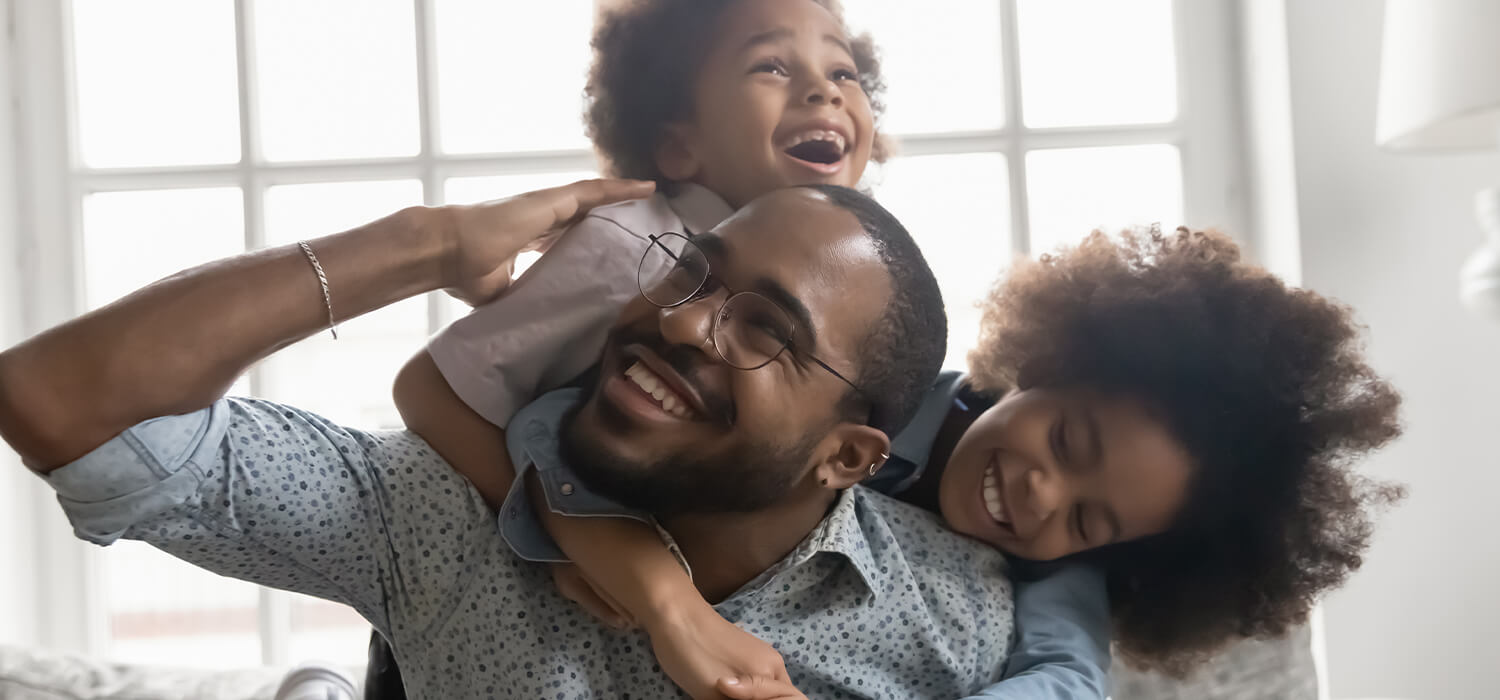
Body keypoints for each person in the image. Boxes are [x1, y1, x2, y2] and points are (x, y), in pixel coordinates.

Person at [0, 181, 1032, 698]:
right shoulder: (431, 513)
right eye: (692, 273)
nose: (679, 321)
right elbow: (60, 402)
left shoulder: (964, 621)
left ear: (849, 456)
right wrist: (426, 242)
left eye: (766, 329)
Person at [389, 0, 1112, 696]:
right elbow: (429, 390)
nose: (822, 92)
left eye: (845, 74)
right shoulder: (624, 243)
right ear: (679, 142)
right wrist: (576, 536)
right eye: (771, 66)